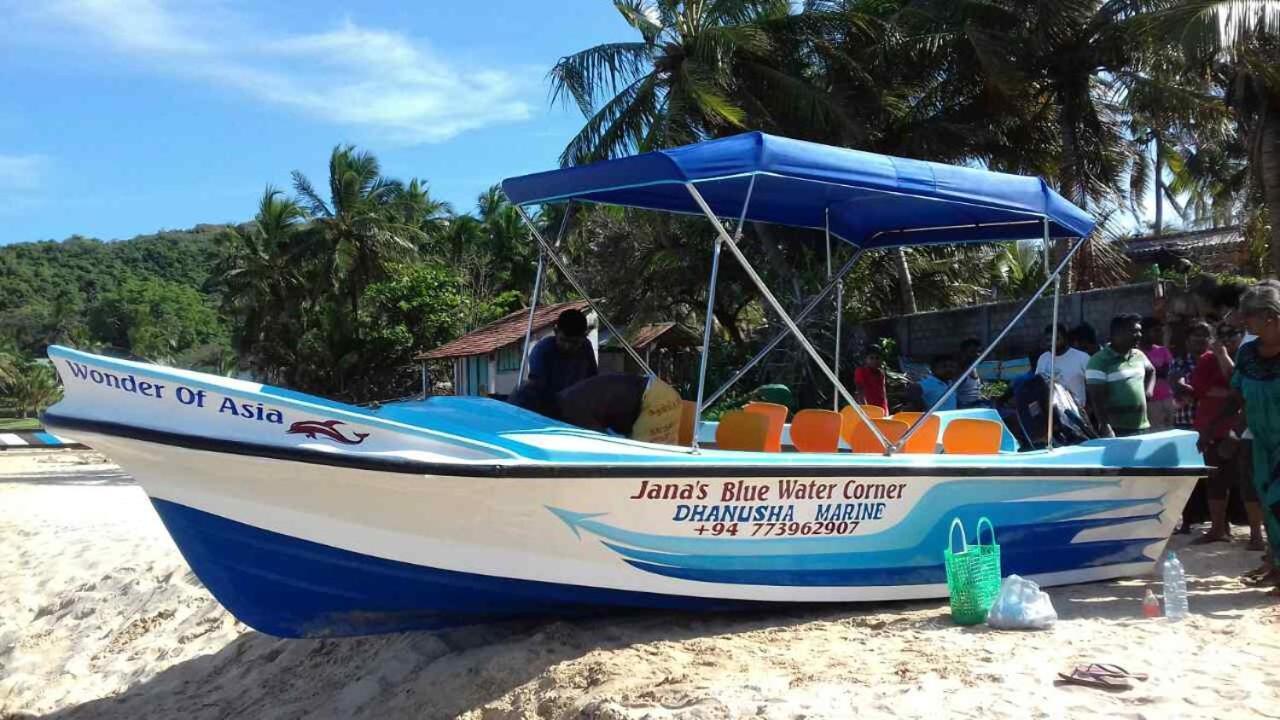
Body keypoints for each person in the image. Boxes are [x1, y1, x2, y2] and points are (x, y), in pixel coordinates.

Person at [1210, 283, 1280, 591]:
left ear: (1269, 316)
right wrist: (1219, 429)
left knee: (1279, 500)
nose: (1243, 322)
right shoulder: (1249, 353)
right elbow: (1238, 396)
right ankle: (1276, 564)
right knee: (1268, 503)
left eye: (1248, 316)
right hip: (1261, 441)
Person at [1191, 321, 1263, 547]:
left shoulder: (1251, 358)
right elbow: (1202, 390)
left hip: (1243, 428)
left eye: (1232, 335)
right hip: (1212, 425)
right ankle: (1218, 529)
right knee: (1216, 480)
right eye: (1222, 335)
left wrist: (1224, 358)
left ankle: (1256, 536)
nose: (1227, 339)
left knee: (1248, 482)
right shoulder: (1206, 359)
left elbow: (1237, 383)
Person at [509, 309, 598, 416]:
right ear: (556, 331)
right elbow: (538, 388)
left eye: (574, 343)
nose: (567, 346)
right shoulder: (542, 351)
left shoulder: (586, 347)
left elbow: (593, 381)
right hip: (545, 407)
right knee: (523, 392)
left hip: (577, 406)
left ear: (584, 337)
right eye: (564, 340)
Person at [556, 373, 682, 443]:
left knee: (646, 458)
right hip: (651, 395)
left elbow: (602, 442)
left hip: (657, 399)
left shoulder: (571, 408)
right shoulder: (566, 399)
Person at [1086, 314, 1155, 437]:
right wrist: (1104, 425)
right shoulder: (1099, 361)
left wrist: (1148, 391)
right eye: (1134, 331)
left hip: (1142, 426)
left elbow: (1151, 371)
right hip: (1116, 430)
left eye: (1140, 331)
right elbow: (1096, 398)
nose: (1139, 335)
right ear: (1117, 334)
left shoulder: (1138, 355)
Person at [1173, 320, 1212, 534]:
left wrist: (1193, 391)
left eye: (1204, 335)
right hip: (1185, 425)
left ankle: (1217, 523)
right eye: (1195, 335)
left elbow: (1189, 391)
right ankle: (1187, 521)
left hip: (1211, 424)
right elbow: (1179, 390)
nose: (1200, 339)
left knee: (1213, 475)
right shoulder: (1180, 362)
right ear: (1187, 340)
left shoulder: (1215, 361)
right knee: (1187, 476)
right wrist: (1204, 392)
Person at [1036, 323, 1090, 410]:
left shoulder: (1082, 358)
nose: (1051, 343)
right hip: (1051, 414)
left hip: (1076, 413)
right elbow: (1038, 384)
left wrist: (1089, 410)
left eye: (1056, 339)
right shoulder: (1043, 358)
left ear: (1065, 339)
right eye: (1048, 340)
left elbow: (1092, 386)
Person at [1141, 317, 1176, 429]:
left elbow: (1168, 372)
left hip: (1167, 398)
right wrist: (1157, 370)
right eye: (1156, 330)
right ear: (1144, 332)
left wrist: (1153, 371)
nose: (1160, 334)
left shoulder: (1163, 350)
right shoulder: (1136, 353)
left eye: (1161, 330)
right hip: (1150, 402)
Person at [854, 347, 889, 414]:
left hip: (880, 409)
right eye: (871, 358)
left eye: (877, 358)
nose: (874, 361)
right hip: (867, 409)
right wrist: (865, 409)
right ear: (866, 359)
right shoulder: (861, 371)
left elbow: (883, 394)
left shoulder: (881, 374)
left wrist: (886, 410)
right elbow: (859, 391)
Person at [955, 338, 987, 408]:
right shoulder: (958, 372)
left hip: (981, 406)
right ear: (963, 353)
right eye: (972, 352)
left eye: (979, 352)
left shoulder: (976, 368)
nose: (977, 354)